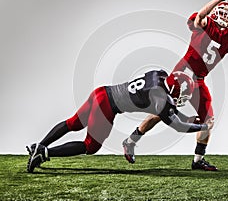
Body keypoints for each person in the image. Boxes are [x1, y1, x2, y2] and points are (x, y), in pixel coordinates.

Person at [122, 0, 228, 171]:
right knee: (164, 111)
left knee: (209, 120)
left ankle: (198, 160)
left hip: (199, 79)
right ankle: (130, 141)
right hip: (183, 72)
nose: (224, 15)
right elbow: (200, 16)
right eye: (222, 11)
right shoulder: (205, 24)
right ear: (216, 11)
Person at [26, 70, 214, 173]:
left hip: (102, 92)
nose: (184, 98)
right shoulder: (161, 100)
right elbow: (178, 125)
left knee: (73, 123)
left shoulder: (160, 74)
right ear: (173, 91)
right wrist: (202, 126)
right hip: (107, 106)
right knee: (91, 146)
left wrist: (188, 119)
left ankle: (39, 146)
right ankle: (44, 152)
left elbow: (171, 113)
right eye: (183, 94)